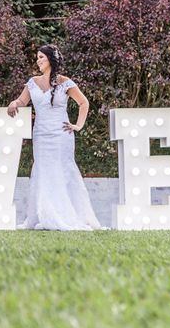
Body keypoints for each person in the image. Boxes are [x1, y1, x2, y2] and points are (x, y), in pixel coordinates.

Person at [7, 44, 100, 230]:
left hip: (61, 134)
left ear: (51, 59)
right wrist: (13, 103)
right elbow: (22, 101)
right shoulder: (32, 82)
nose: (38, 60)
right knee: (43, 171)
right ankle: (43, 213)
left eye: (41, 57)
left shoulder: (65, 82)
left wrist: (78, 125)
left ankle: (64, 214)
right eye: (37, 57)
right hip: (41, 134)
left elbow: (84, 102)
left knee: (62, 171)